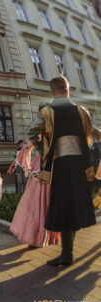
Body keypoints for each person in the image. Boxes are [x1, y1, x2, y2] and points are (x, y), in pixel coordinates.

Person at [27, 75, 100, 267]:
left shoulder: (47, 111)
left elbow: (32, 132)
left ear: (52, 92)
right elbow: (93, 131)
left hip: (59, 166)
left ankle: (67, 255)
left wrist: (45, 150)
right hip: (81, 166)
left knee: (64, 209)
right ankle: (67, 254)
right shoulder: (81, 111)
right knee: (74, 208)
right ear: (68, 90)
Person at [7, 140, 59, 247]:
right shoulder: (41, 126)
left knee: (48, 201)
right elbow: (27, 146)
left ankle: (45, 236)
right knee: (36, 202)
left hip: (55, 167)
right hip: (43, 166)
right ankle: (36, 236)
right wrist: (15, 162)